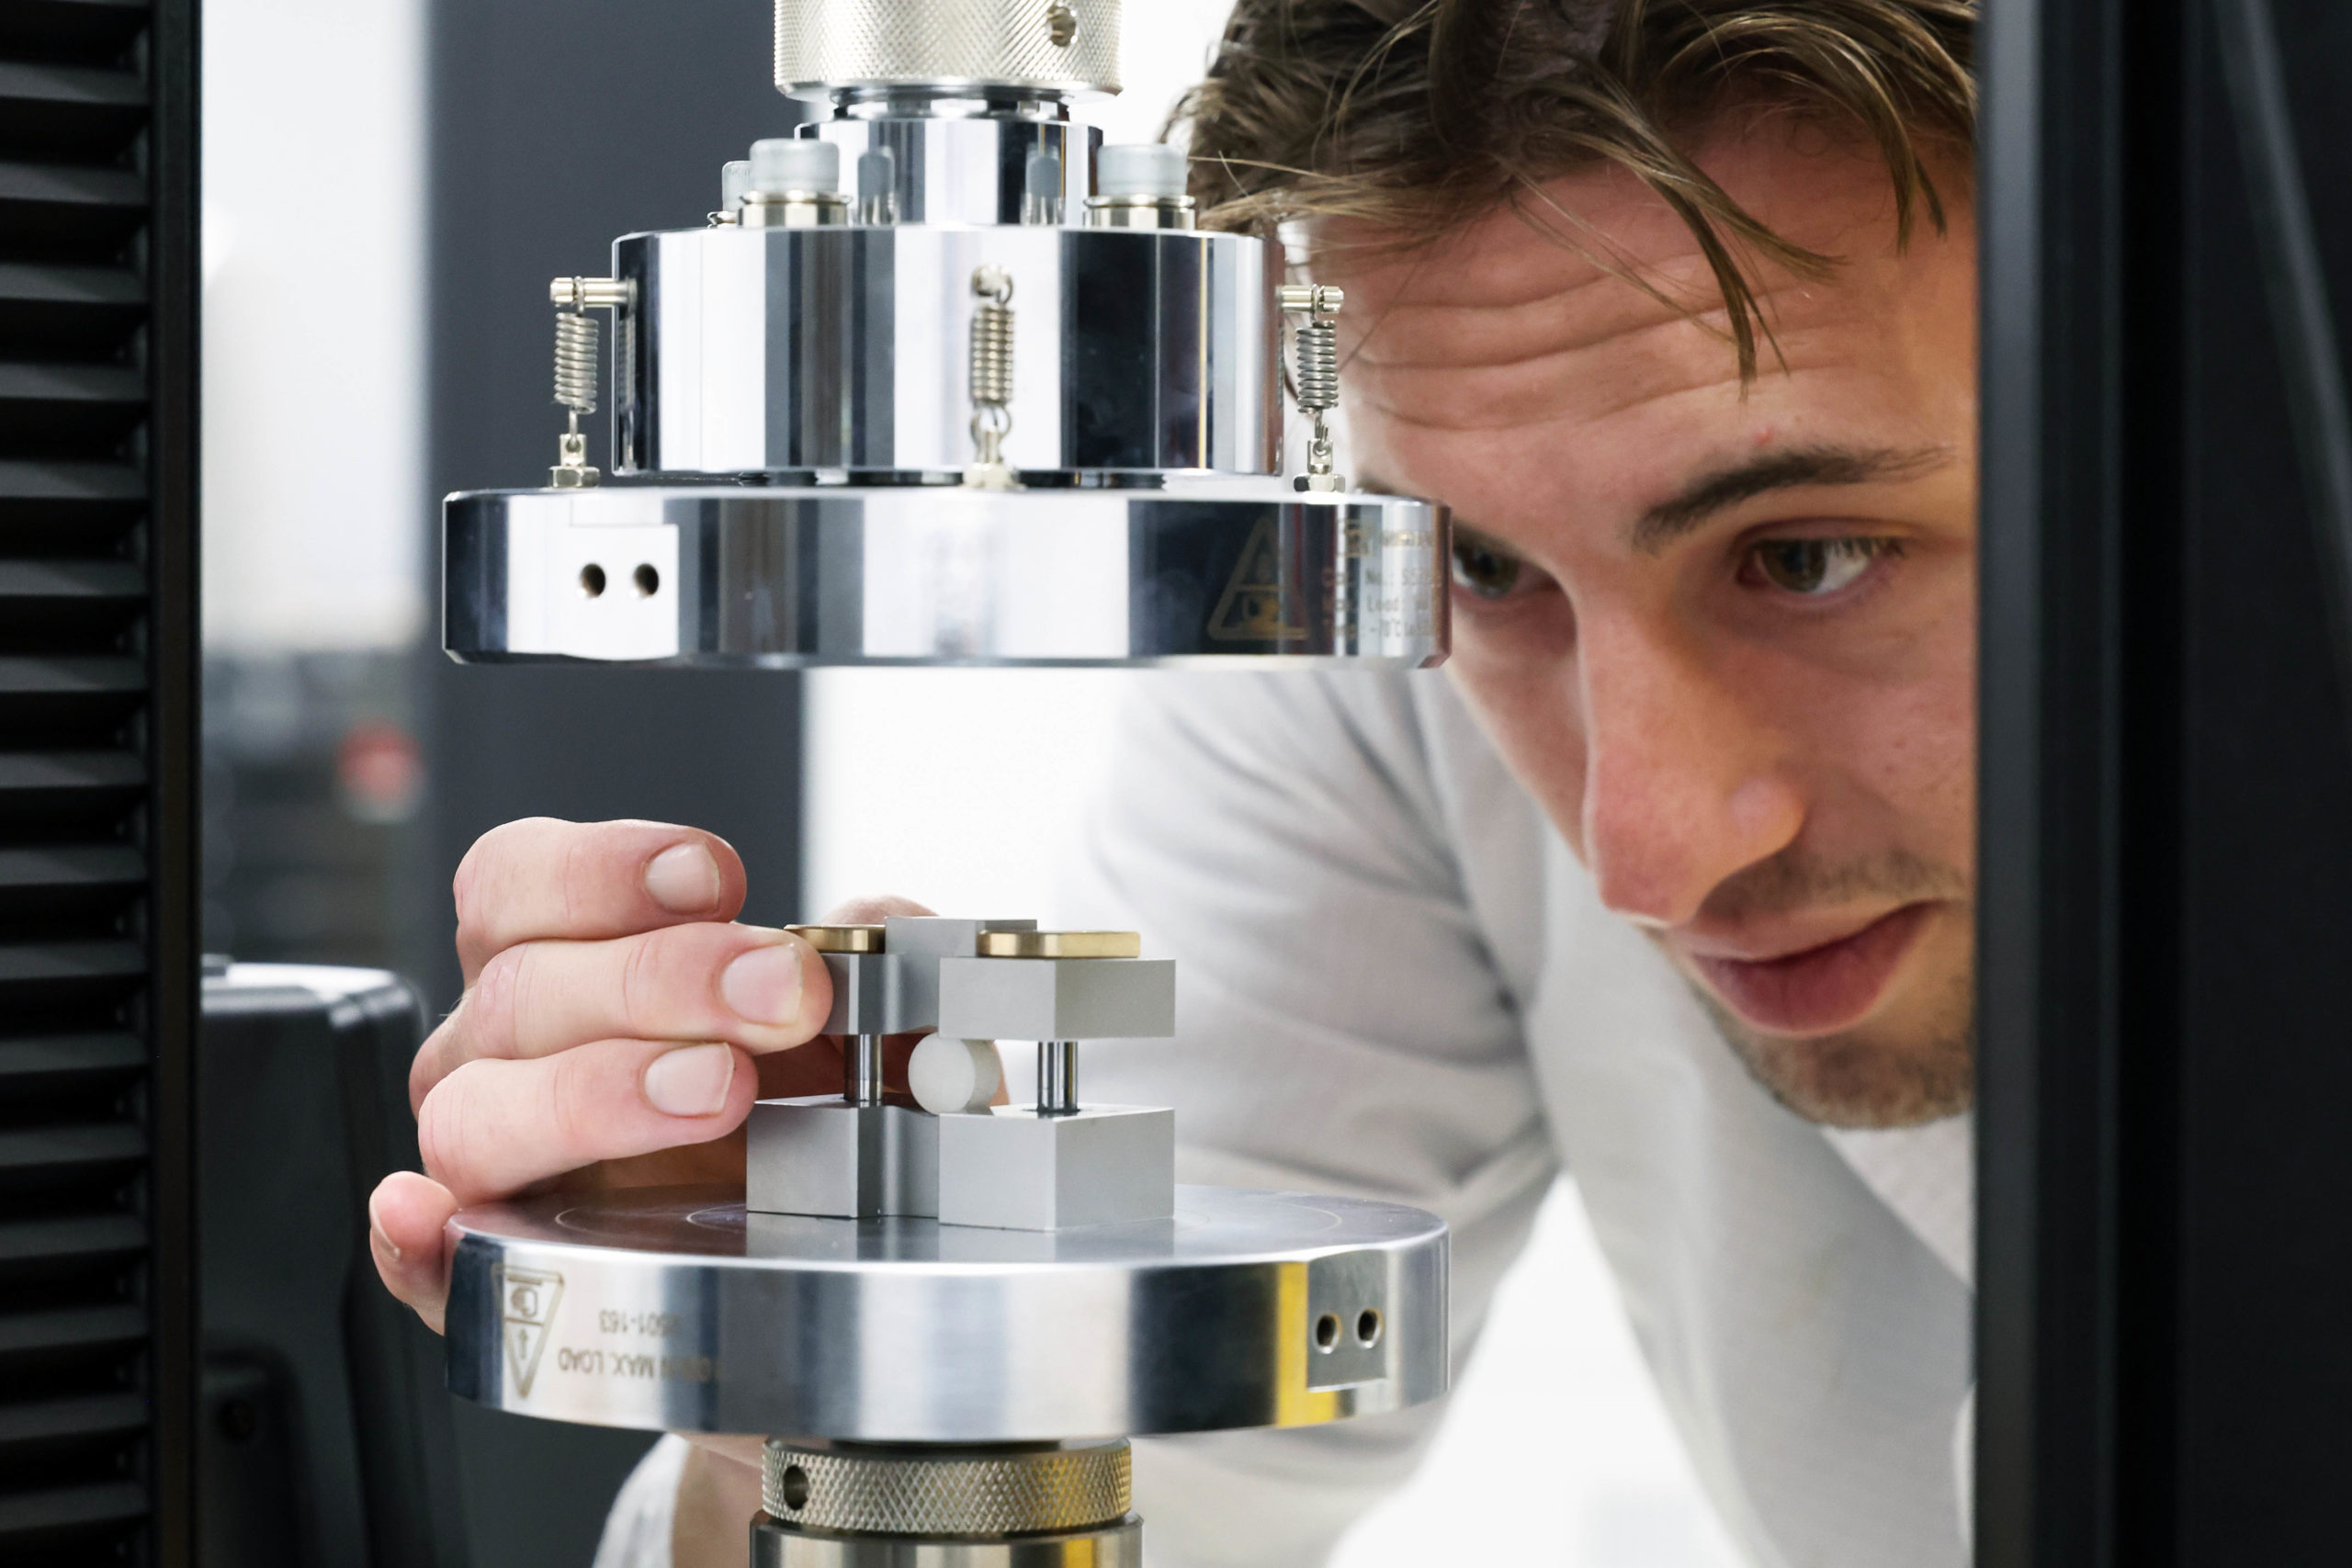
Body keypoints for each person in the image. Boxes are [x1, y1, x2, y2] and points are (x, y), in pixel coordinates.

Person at [369, 2, 1981, 1562]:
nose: (1641, 854)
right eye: (1488, 564)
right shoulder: (1386, 667)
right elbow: (1165, 1483)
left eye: (1814, 557)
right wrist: (849, 1388)